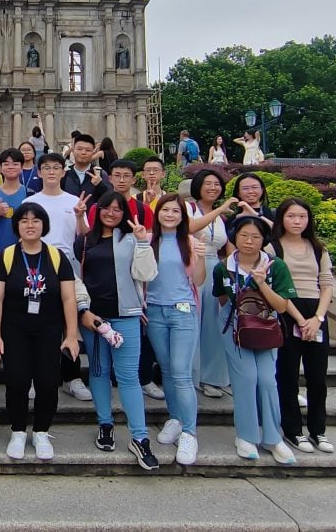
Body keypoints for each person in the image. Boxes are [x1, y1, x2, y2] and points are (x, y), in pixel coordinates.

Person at [0, 202, 80, 461]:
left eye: (35, 220)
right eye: (24, 220)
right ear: (17, 225)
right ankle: (17, 431)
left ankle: (41, 431)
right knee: (16, 381)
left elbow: (69, 299)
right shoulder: (6, 256)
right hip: (14, 330)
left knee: (48, 383)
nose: (30, 225)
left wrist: (71, 335)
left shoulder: (56, 257)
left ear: (44, 225)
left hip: (48, 330)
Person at [75, 192, 160, 470]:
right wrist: (84, 311)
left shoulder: (132, 238)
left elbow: (147, 274)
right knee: (98, 373)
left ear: (125, 212)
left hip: (126, 317)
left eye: (117, 209)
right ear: (97, 211)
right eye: (106, 208)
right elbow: (78, 278)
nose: (111, 213)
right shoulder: (87, 241)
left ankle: (140, 437)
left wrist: (143, 241)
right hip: (95, 320)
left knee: (128, 378)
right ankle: (105, 425)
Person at [212, 215, 296, 465]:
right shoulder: (223, 267)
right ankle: (246, 436)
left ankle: (273, 437)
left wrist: (261, 283)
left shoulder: (275, 266)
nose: (249, 241)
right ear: (234, 236)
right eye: (244, 235)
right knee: (246, 378)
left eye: (256, 237)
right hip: (234, 326)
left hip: (267, 326)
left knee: (267, 380)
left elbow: (282, 306)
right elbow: (221, 298)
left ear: (264, 239)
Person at [24, 152, 92, 402]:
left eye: (56, 168)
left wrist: (78, 215)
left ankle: (72, 378)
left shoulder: (75, 200)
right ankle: (33, 377)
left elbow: (83, 233)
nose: (51, 172)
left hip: (66, 265)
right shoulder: (31, 201)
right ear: (39, 172)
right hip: (38, 263)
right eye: (47, 168)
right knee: (35, 321)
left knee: (68, 320)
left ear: (64, 172)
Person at [270, 198, 335, 455]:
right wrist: (298, 319)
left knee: (318, 377)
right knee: (287, 375)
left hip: (316, 313)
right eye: (291, 216)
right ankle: (293, 430)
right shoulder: (273, 248)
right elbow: (277, 287)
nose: (297, 221)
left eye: (302, 217)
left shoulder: (318, 248)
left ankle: (318, 430)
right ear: (281, 219)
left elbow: (327, 284)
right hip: (288, 312)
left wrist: (317, 318)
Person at [145, 194, 207, 466]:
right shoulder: (148, 240)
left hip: (182, 310)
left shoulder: (190, 243)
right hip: (155, 310)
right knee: (167, 369)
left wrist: (202, 258)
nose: (170, 214)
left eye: (175, 211)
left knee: (181, 373)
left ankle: (190, 432)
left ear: (183, 216)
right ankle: (175, 417)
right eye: (165, 210)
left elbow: (199, 280)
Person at [187, 169, 239, 398]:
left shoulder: (222, 218)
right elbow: (190, 228)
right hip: (193, 266)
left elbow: (227, 247)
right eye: (208, 183)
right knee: (193, 323)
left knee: (213, 324)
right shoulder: (189, 208)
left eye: (217, 184)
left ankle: (212, 377)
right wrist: (220, 208)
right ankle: (190, 375)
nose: (213, 188)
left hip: (216, 269)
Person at [0, 148, 31, 256]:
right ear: (0, 168)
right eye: (6, 164)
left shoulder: (30, 195)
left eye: (15, 164)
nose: (11, 167)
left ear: (22, 167)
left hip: (23, 253)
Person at [60, 134, 110, 201]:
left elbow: (110, 199)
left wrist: (100, 185)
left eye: (88, 150)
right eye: (79, 149)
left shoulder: (101, 174)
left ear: (93, 152)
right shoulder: (64, 175)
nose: (83, 152)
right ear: (73, 150)